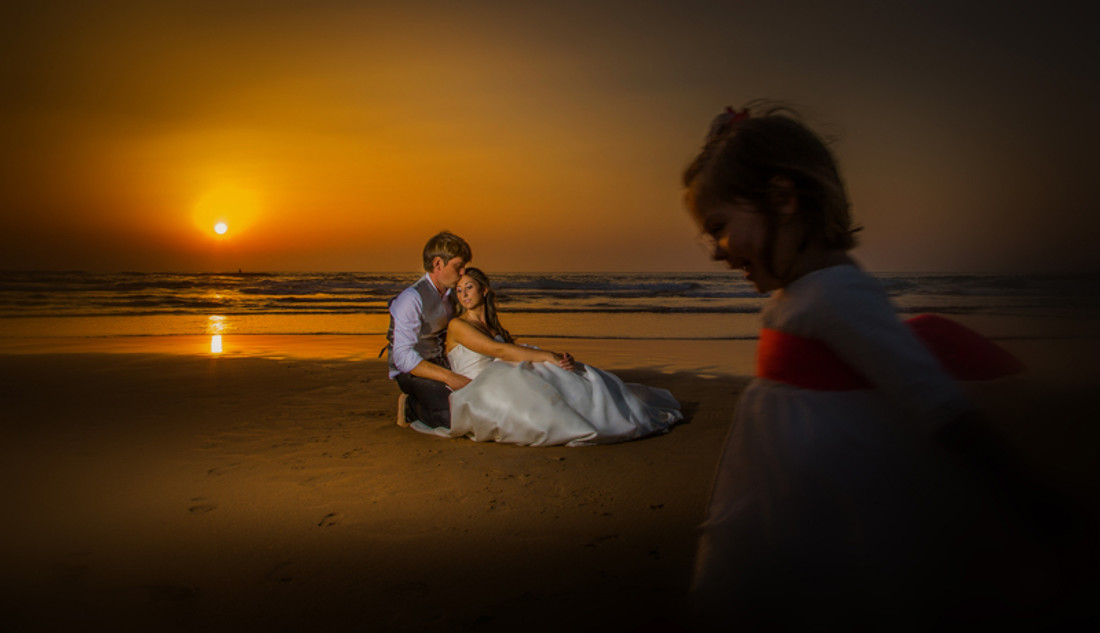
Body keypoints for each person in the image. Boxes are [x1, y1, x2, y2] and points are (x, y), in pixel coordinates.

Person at [682, 103, 1049, 630]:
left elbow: (936, 402)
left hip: (836, 489)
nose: (716, 253)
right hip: (789, 481)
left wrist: (1021, 487)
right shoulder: (800, 289)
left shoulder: (837, 293)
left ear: (783, 199)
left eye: (718, 227)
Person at [408, 267, 683, 446]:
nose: (463, 293)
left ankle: (605, 410)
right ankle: (585, 421)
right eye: (459, 289)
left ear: (484, 290)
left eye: (469, 287)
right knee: (541, 372)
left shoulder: (494, 327)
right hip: (479, 386)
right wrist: (548, 356)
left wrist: (554, 359)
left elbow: (508, 349)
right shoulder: (458, 325)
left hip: (502, 375)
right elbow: (499, 351)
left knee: (568, 373)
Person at [388, 231, 472, 429]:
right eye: (458, 267)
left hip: (446, 363)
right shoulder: (411, 299)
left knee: (478, 405)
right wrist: (451, 378)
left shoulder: (455, 293)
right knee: (451, 417)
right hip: (413, 371)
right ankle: (410, 406)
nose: (462, 273)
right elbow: (403, 357)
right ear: (437, 264)